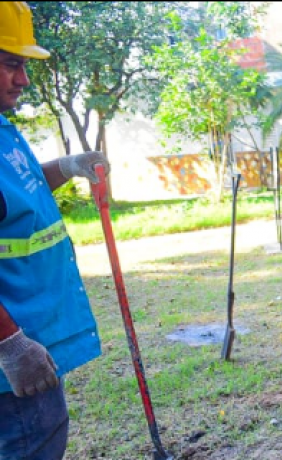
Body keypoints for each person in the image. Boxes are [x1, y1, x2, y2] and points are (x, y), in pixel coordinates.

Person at [0, 2, 111, 458]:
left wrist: (65, 167)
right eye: (11, 64)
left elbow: (15, 196)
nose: (23, 79)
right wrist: (10, 344)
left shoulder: (2, 128)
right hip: (12, 356)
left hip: (30, 331)